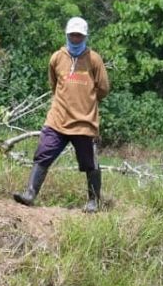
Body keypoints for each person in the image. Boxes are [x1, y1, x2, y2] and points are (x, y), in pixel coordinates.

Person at [13, 17, 110, 213]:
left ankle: (93, 201)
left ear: (85, 37)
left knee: (89, 162)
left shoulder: (94, 59)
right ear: (67, 35)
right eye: (72, 35)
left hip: (84, 122)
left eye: (79, 36)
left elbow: (104, 88)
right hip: (57, 120)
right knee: (43, 154)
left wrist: (88, 102)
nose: (75, 39)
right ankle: (30, 193)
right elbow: (54, 85)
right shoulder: (57, 58)